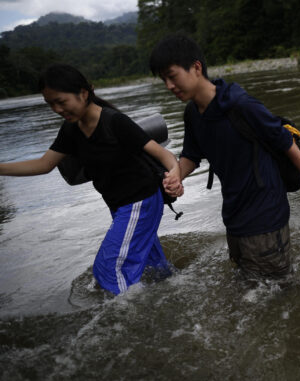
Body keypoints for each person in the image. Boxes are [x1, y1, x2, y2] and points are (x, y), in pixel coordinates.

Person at [149, 34, 300, 280]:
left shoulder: (240, 105)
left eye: (172, 76)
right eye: (163, 80)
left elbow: (285, 142)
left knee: (277, 289)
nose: (169, 85)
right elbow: (191, 155)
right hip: (234, 213)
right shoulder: (192, 113)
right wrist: (176, 176)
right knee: (248, 284)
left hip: (266, 211)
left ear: (196, 67)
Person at [0, 64, 179, 295]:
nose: (56, 109)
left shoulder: (115, 122)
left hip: (140, 202)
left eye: (61, 101)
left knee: (109, 271)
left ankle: (133, 325)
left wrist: (174, 175)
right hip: (119, 206)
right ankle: (175, 295)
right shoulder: (71, 130)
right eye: (50, 104)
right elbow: (44, 165)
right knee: (154, 269)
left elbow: (163, 154)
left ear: (83, 93)